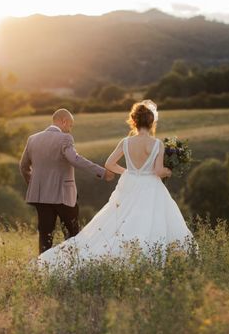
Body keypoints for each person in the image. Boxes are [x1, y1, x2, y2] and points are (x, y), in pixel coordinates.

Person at [37, 100, 195, 269]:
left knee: (121, 220)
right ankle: (151, 259)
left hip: (130, 184)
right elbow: (158, 171)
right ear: (151, 122)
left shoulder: (125, 142)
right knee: (149, 220)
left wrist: (128, 172)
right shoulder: (157, 144)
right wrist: (168, 171)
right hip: (151, 186)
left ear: (134, 121)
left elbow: (109, 164)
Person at [19, 108, 115, 254]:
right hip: (63, 196)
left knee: (45, 235)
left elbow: (23, 166)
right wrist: (102, 172)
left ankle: (43, 269)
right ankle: (73, 266)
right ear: (64, 121)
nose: (70, 130)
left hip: (41, 196)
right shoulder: (65, 138)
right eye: (70, 125)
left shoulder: (33, 139)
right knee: (72, 234)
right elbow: (75, 159)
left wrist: (34, 183)